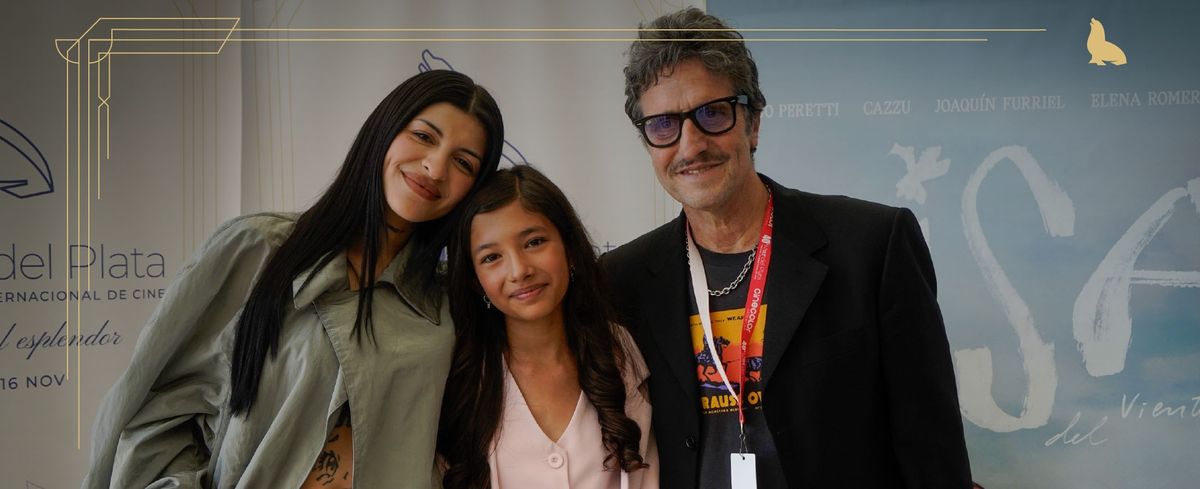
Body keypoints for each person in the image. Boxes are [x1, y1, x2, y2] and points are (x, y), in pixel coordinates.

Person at [602, 8, 973, 488]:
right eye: (663, 125)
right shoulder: (622, 280)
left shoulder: (872, 246)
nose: (690, 146)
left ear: (753, 122)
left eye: (712, 114)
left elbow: (932, 447)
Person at [82, 70, 504, 489]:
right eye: (424, 136)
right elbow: (163, 410)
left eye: (463, 162)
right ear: (384, 131)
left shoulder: (449, 302)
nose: (435, 167)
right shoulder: (258, 249)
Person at [437, 165, 658, 489]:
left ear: (569, 247)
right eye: (491, 257)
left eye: (534, 242)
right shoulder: (459, 374)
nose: (519, 271)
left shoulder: (617, 348)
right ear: (475, 280)